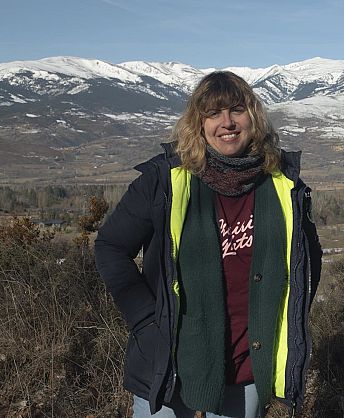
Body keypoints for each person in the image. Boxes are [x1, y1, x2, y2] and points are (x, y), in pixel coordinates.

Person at [95, 71, 322, 418]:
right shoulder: (165, 181)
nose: (227, 122)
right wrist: (145, 320)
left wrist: (287, 319)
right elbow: (111, 247)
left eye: (236, 110)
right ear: (198, 124)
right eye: (214, 113)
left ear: (254, 117)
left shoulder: (282, 183)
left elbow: (308, 258)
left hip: (247, 362)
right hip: (169, 358)